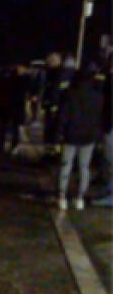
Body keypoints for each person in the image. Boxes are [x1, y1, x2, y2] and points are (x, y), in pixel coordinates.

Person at [56, 61, 103, 210]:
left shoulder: (70, 94)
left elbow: (64, 115)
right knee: (84, 167)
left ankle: (62, 197)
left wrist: (59, 133)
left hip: (71, 134)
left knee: (66, 165)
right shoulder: (98, 96)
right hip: (88, 136)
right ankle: (79, 198)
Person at [92, 53, 113, 207]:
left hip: (111, 125)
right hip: (109, 125)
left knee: (111, 160)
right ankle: (109, 189)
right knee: (108, 160)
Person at [0, 63, 27, 152]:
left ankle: (13, 145)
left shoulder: (21, 77)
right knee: (3, 127)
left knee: (14, 127)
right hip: (5, 105)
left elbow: (23, 91)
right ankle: (2, 145)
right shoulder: (4, 74)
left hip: (14, 105)